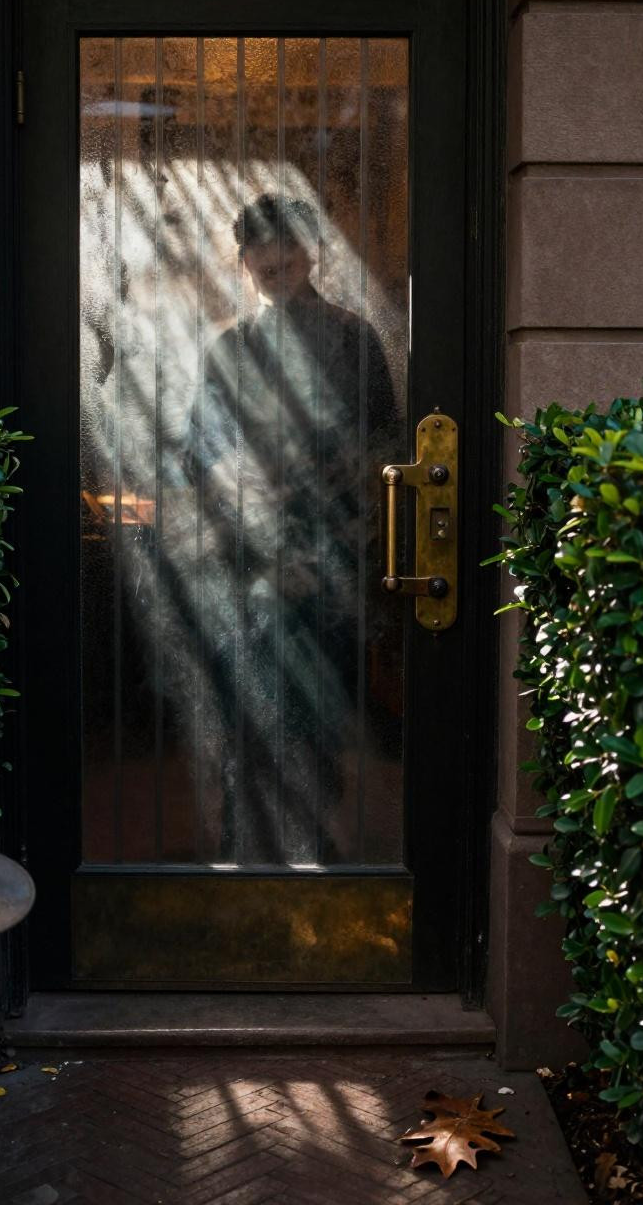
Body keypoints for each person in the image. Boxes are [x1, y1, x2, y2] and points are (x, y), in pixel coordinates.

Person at [183, 193, 397, 865]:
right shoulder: (227, 350)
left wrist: (334, 541)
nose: (274, 260)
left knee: (327, 719)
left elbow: (387, 449)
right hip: (250, 562)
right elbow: (202, 458)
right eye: (259, 248)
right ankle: (247, 845)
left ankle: (315, 847)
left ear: (314, 252)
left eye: (288, 246)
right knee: (246, 712)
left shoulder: (355, 339)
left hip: (337, 564)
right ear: (243, 260)